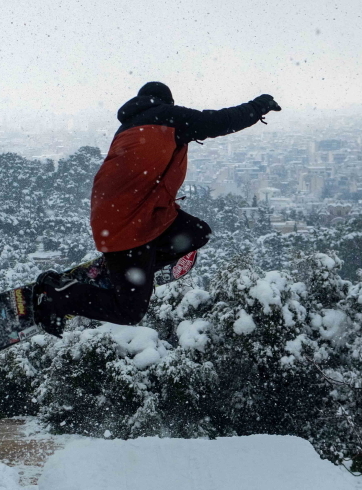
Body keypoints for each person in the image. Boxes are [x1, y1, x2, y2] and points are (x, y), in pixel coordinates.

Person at [32, 81, 280, 335]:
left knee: (196, 233)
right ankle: (58, 295)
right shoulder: (166, 118)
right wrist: (258, 106)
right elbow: (218, 121)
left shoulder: (130, 126)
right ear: (167, 102)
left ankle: (130, 268)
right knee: (129, 311)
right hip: (129, 224)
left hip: (134, 213)